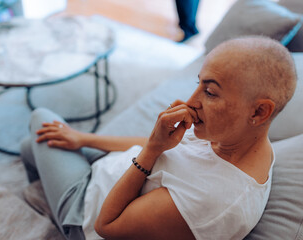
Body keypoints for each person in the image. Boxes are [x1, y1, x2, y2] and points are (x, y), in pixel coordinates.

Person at [20, 36, 297, 240]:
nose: (191, 102)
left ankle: (54, 210)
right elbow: (165, 148)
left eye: (210, 92)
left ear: (260, 111)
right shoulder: (237, 136)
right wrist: (83, 139)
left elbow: (107, 225)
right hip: (116, 172)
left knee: (40, 120)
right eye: (198, 83)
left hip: (87, 211)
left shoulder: (213, 202)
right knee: (36, 144)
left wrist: (151, 149)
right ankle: (44, 188)